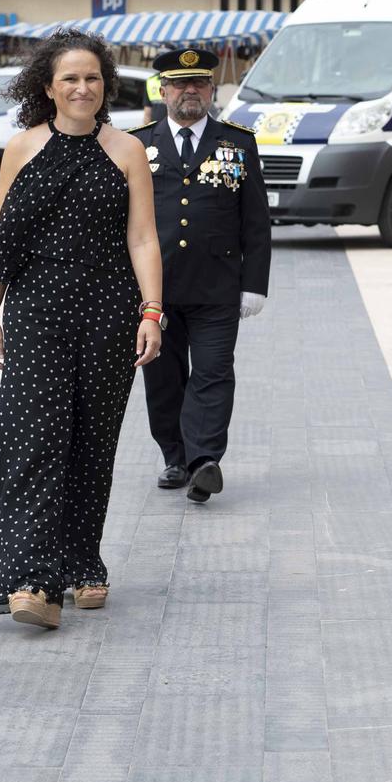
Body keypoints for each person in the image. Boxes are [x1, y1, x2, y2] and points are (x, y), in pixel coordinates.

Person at [0, 32, 164, 629]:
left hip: (109, 313)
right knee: (34, 442)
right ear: (48, 88)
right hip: (37, 313)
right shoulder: (21, 148)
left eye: (93, 78)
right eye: (71, 79)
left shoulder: (128, 150)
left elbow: (143, 238)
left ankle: (83, 562)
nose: (83, 88)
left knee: (92, 442)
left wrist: (152, 311)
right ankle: (33, 579)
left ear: (106, 85)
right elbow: (3, 239)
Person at [135, 47, 272, 504]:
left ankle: (204, 461)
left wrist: (254, 284)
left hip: (217, 287)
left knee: (213, 374)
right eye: (179, 84)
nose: (189, 91)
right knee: (163, 378)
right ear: (163, 91)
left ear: (212, 89)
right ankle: (175, 457)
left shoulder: (238, 143)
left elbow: (256, 221)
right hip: (157, 289)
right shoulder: (138, 144)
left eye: (198, 83)